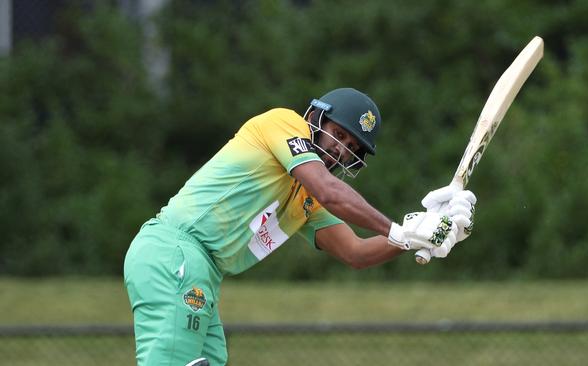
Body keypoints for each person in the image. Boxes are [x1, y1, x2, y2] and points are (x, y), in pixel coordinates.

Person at [123, 87, 477, 366]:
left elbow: (355, 252)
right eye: (340, 135)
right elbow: (331, 190)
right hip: (174, 251)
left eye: (352, 148)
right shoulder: (283, 124)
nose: (341, 151)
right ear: (317, 118)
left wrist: (420, 233)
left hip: (205, 273)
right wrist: (396, 230)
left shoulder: (308, 199)